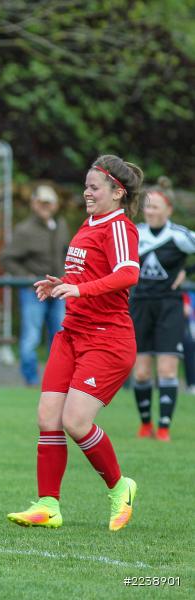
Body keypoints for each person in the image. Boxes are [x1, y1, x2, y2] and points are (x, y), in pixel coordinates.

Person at [7, 155, 143, 532]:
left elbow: (128, 273)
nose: (87, 192)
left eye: (94, 187)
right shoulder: (89, 224)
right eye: (85, 186)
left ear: (117, 193)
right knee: (47, 418)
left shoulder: (120, 226)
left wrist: (80, 288)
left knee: (76, 421)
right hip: (72, 334)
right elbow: (87, 272)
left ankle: (120, 488)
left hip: (107, 340)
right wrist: (60, 282)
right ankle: (49, 504)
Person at [129, 177, 195, 442]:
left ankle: (164, 427)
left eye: (156, 206)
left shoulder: (179, 235)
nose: (151, 211)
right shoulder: (136, 234)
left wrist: (186, 272)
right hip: (140, 305)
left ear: (168, 210)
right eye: (147, 207)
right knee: (142, 370)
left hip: (169, 305)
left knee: (167, 369)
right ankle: (145, 424)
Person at [0, 183, 71, 386]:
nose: (45, 206)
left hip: (59, 288)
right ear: (34, 203)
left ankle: (56, 380)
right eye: (41, 202)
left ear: (55, 205)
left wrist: (67, 276)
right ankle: (30, 380)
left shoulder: (61, 225)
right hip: (34, 290)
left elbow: (67, 253)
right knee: (31, 336)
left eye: (49, 203)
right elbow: (7, 258)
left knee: (60, 334)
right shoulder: (25, 230)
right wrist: (28, 277)